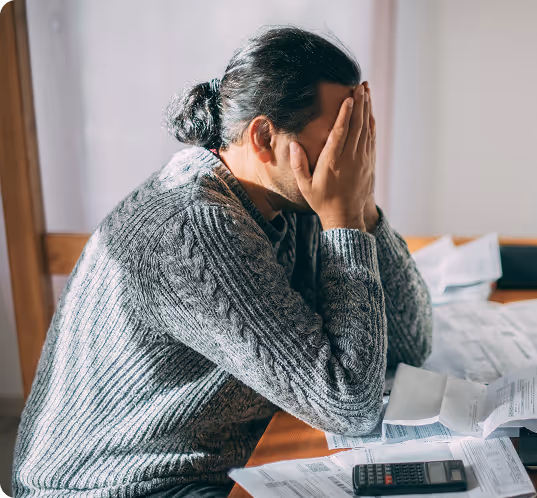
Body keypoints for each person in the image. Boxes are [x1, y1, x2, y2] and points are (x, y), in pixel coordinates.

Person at [13, 26, 432, 497]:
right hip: (121, 485)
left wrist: (362, 206)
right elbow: (349, 403)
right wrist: (343, 222)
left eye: (356, 134)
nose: (349, 154)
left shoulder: (296, 195)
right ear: (263, 137)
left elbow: (409, 344)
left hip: (212, 463)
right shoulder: (195, 226)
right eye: (338, 136)